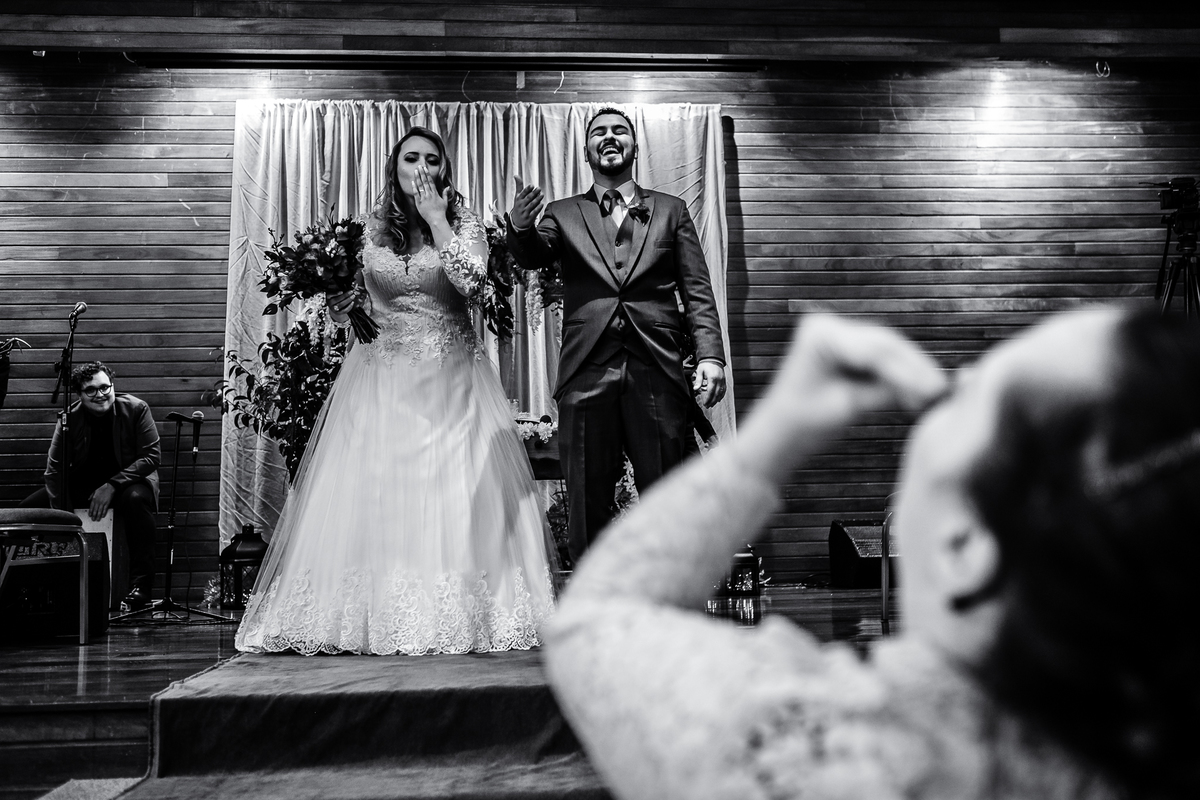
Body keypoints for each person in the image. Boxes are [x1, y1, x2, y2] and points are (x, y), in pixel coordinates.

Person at [545, 307, 1200, 800]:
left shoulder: (811, 750)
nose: (954, 381)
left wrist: (774, 437)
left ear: (964, 546)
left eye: (963, 396)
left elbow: (596, 618)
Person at [236, 127, 556, 656]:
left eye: (434, 159)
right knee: (378, 493)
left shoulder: (463, 223)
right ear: (395, 167)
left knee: (451, 493)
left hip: (451, 382)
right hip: (380, 381)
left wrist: (437, 221)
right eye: (412, 158)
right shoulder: (368, 230)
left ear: (446, 170)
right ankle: (370, 616)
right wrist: (343, 307)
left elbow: (476, 286)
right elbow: (356, 301)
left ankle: (464, 614)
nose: (423, 167)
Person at [506, 106, 728, 564]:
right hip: (587, 371)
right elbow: (532, 254)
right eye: (599, 133)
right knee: (588, 502)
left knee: (669, 495)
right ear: (586, 151)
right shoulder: (564, 214)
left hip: (658, 369)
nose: (609, 137)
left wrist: (711, 356)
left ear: (634, 146)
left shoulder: (672, 210)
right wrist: (521, 228)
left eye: (619, 131)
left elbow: (698, 291)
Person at [21, 361, 161, 612]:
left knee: (137, 500)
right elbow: (54, 470)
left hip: (129, 481)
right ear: (79, 394)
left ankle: (141, 587)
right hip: (84, 482)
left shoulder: (137, 409)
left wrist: (112, 485)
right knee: (28, 510)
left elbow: (151, 456)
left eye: (105, 387)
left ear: (113, 386)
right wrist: (62, 516)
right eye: (91, 390)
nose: (101, 394)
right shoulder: (68, 418)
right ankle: (30, 591)